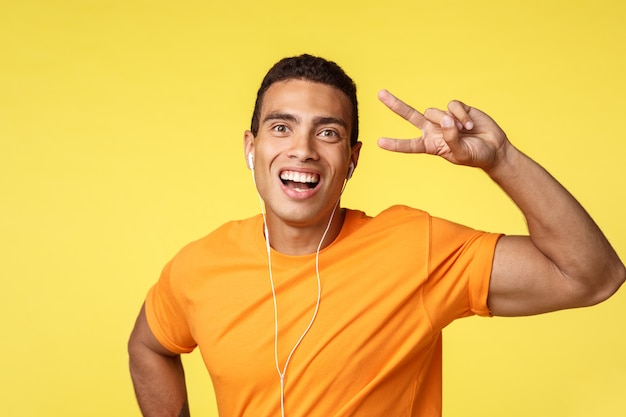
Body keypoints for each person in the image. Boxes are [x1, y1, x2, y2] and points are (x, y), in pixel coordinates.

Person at [128, 54, 625, 417]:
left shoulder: (414, 247)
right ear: (251, 147)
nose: (302, 150)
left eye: (327, 133)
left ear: (352, 159)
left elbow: (593, 277)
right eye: (281, 128)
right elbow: (149, 347)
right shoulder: (198, 267)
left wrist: (503, 161)